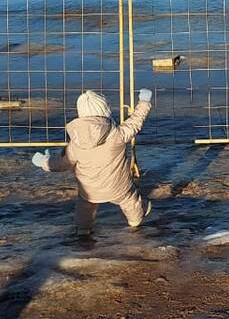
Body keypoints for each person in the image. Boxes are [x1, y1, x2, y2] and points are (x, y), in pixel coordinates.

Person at [32, 89, 154, 235]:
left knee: (85, 207)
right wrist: (144, 102)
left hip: (88, 190)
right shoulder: (116, 135)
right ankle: (135, 220)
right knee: (128, 199)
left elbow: (62, 164)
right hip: (118, 187)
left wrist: (44, 161)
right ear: (105, 108)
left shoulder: (75, 143)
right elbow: (135, 122)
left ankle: (83, 229)